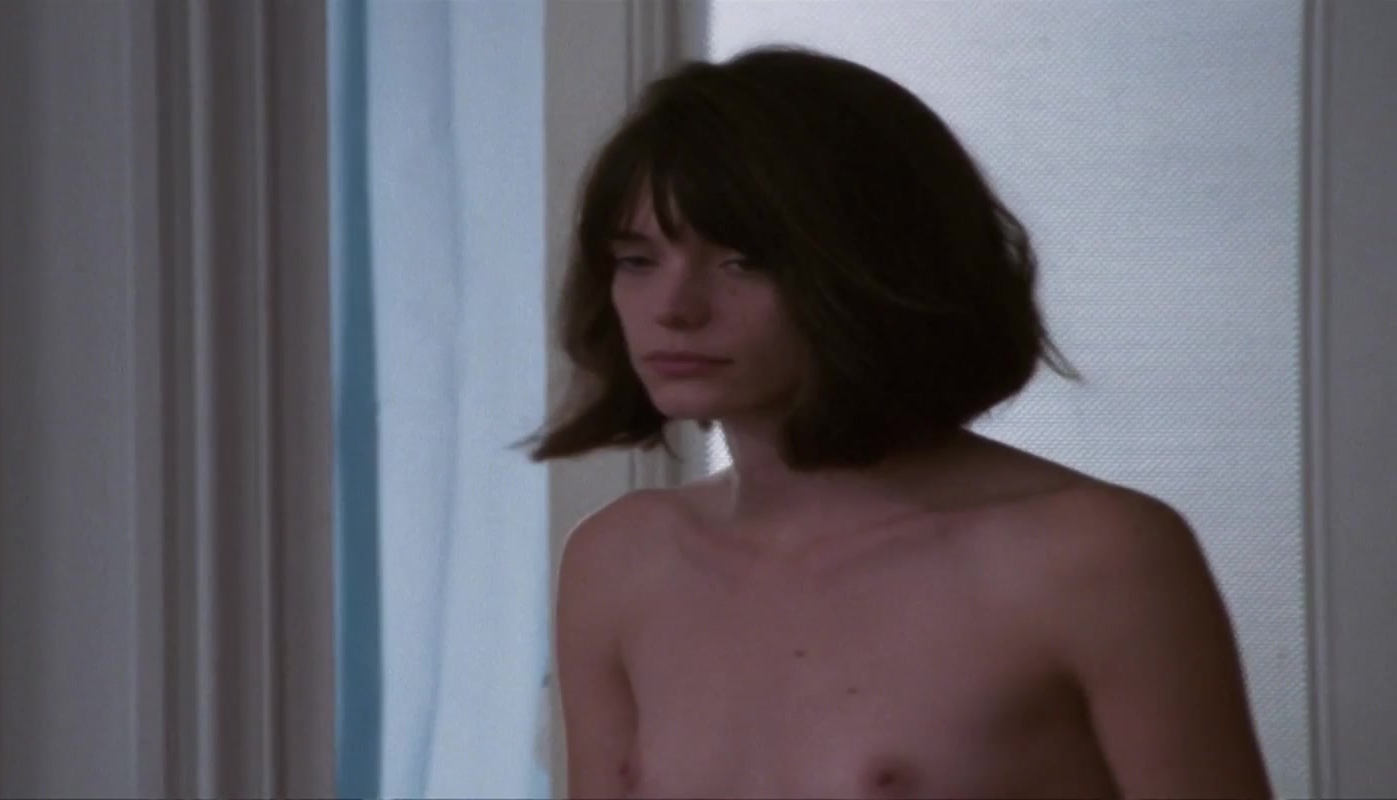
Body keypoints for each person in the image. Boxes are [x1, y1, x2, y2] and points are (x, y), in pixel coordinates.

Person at [525, 45, 1272, 799]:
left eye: (744, 261)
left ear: (877, 268)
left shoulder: (1091, 556)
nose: (674, 309)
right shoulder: (619, 560)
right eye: (638, 260)